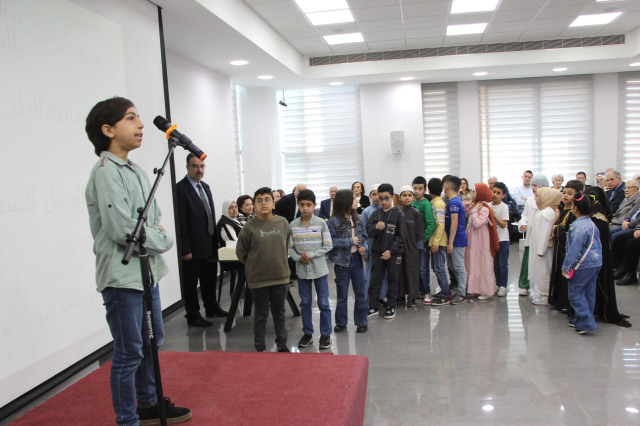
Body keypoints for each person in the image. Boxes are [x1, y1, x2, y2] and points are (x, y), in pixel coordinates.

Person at [85, 97, 191, 425]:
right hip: (122, 277)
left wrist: (154, 234)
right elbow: (124, 229)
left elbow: (153, 219)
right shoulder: (106, 173)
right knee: (129, 350)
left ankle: (148, 404)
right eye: (131, 118)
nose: (142, 124)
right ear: (108, 129)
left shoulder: (138, 171)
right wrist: (164, 240)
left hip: (147, 273)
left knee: (151, 342)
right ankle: (127, 420)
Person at [236, 187, 291, 352]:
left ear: (273, 203)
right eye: (259, 201)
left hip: (280, 276)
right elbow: (241, 253)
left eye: (267, 199)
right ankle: (259, 347)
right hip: (258, 279)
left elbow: (286, 246)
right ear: (254, 205)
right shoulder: (248, 227)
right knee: (260, 314)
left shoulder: (283, 223)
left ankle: (282, 344)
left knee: (279, 313)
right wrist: (254, 264)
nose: (263, 203)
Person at [176, 154, 227, 327]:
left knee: (209, 279)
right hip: (192, 246)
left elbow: (210, 214)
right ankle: (193, 315)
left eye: (202, 166)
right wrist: (185, 248)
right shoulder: (180, 189)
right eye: (195, 166)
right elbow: (181, 220)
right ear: (187, 167)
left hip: (209, 243)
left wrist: (216, 239)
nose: (199, 170)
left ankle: (211, 308)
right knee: (191, 283)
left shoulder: (205, 187)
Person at [288, 189, 333, 349]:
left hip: (319, 270)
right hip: (302, 271)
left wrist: (311, 255)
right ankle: (308, 333)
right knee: (305, 303)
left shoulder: (321, 223)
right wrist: (298, 257)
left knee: (323, 303)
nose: (305, 208)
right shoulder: (293, 225)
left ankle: (326, 334)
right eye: (302, 205)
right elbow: (290, 248)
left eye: (308, 205)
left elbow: (328, 245)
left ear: (314, 205)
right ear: (298, 205)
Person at [584, 186, 631, 327]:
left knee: (596, 283)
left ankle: (595, 310)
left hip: (595, 256)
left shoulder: (597, 219)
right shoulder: (597, 216)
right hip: (600, 254)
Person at [328, 189, 369, 333]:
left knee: (361, 293)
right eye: (353, 198)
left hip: (357, 260)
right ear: (346, 201)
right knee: (342, 295)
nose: (356, 201)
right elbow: (330, 242)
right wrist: (350, 241)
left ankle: (361, 322)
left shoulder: (358, 218)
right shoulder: (333, 221)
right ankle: (341, 322)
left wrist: (364, 247)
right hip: (341, 263)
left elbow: (364, 237)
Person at [562, 193, 602, 334]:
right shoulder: (591, 224)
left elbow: (574, 249)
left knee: (575, 292)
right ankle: (583, 319)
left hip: (582, 264)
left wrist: (566, 266)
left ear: (575, 208)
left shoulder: (578, 227)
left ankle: (585, 323)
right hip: (595, 263)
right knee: (589, 292)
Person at [366, 183, 406, 319]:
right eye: (381, 198)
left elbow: (402, 236)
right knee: (375, 279)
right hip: (378, 252)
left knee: (393, 279)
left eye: (386, 198)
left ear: (392, 197)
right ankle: (373, 306)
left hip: (393, 253)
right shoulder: (376, 214)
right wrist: (375, 227)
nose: (383, 201)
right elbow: (368, 231)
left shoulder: (399, 214)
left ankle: (391, 305)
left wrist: (391, 251)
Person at [549, 180, 583, 312]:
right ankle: (557, 300)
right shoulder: (563, 210)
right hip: (559, 248)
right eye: (564, 193)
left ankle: (565, 303)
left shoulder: (574, 213)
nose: (565, 195)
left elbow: (570, 233)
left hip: (567, 250)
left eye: (570, 193)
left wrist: (557, 229)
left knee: (565, 276)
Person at [516, 175, 550, 296]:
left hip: (543, 237)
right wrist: (523, 224)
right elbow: (524, 216)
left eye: (536, 185)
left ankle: (541, 287)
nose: (533, 188)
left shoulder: (549, 201)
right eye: (532, 185)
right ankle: (524, 285)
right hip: (531, 236)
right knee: (527, 262)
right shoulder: (530, 201)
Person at [528, 187, 562, 305]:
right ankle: (540, 292)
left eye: (538, 197)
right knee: (539, 269)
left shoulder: (547, 213)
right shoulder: (543, 212)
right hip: (538, 247)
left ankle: (545, 294)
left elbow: (545, 233)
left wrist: (541, 250)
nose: (536, 199)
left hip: (543, 249)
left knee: (544, 270)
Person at [466, 183, 499, 300]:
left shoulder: (484, 209)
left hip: (480, 240)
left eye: (474, 192)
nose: (472, 194)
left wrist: (474, 211)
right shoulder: (476, 206)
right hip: (473, 239)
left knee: (481, 263)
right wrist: (469, 207)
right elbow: (467, 215)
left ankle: (485, 290)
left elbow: (477, 223)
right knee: (474, 262)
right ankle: (475, 288)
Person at [444, 176, 468, 305]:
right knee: (452, 266)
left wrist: (450, 242)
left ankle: (462, 293)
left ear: (447, 186)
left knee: (459, 267)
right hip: (454, 238)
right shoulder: (453, 201)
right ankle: (458, 288)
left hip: (457, 239)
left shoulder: (454, 203)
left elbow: (454, 223)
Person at [411, 176, 435, 304]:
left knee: (423, 268)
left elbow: (431, 225)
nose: (417, 191)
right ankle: (418, 290)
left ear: (425, 190)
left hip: (422, 242)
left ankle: (426, 292)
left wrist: (422, 239)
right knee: (414, 268)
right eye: (415, 188)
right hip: (411, 242)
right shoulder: (411, 203)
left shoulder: (426, 204)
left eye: (420, 188)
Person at [398, 185, 422, 307]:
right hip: (398, 246)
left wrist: (418, 247)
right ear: (400, 197)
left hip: (412, 247)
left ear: (413, 197)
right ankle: (400, 294)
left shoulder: (416, 213)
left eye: (409, 195)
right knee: (400, 271)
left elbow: (420, 232)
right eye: (404, 195)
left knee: (412, 271)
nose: (407, 198)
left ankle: (412, 296)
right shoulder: (396, 212)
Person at [428, 178, 450, 306]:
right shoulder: (434, 203)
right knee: (435, 267)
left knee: (440, 268)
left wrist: (436, 242)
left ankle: (445, 295)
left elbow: (441, 225)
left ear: (428, 190)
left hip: (439, 242)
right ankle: (443, 291)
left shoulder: (438, 204)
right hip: (435, 241)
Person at [361, 184, 384, 298]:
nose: (376, 197)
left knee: (384, 273)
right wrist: (365, 251)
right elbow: (363, 232)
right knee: (370, 272)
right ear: (370, 196)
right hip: (371, 246)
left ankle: (382, 297)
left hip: (383, 246)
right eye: (374, 194)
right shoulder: (366, 212)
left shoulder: (385, 210)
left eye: (378, 194)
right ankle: (369, 298)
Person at [491, 182, 510, 297]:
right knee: (494, 264)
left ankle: (503, 285)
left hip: (502, 239)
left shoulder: (504, 207)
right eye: (494, 192)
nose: (495, 194)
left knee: (502, 264)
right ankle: (497, 284)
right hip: (492, 239)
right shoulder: (488, 205)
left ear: (503, 195)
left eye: (498, 193)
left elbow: (503, 224)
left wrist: (494, 215)